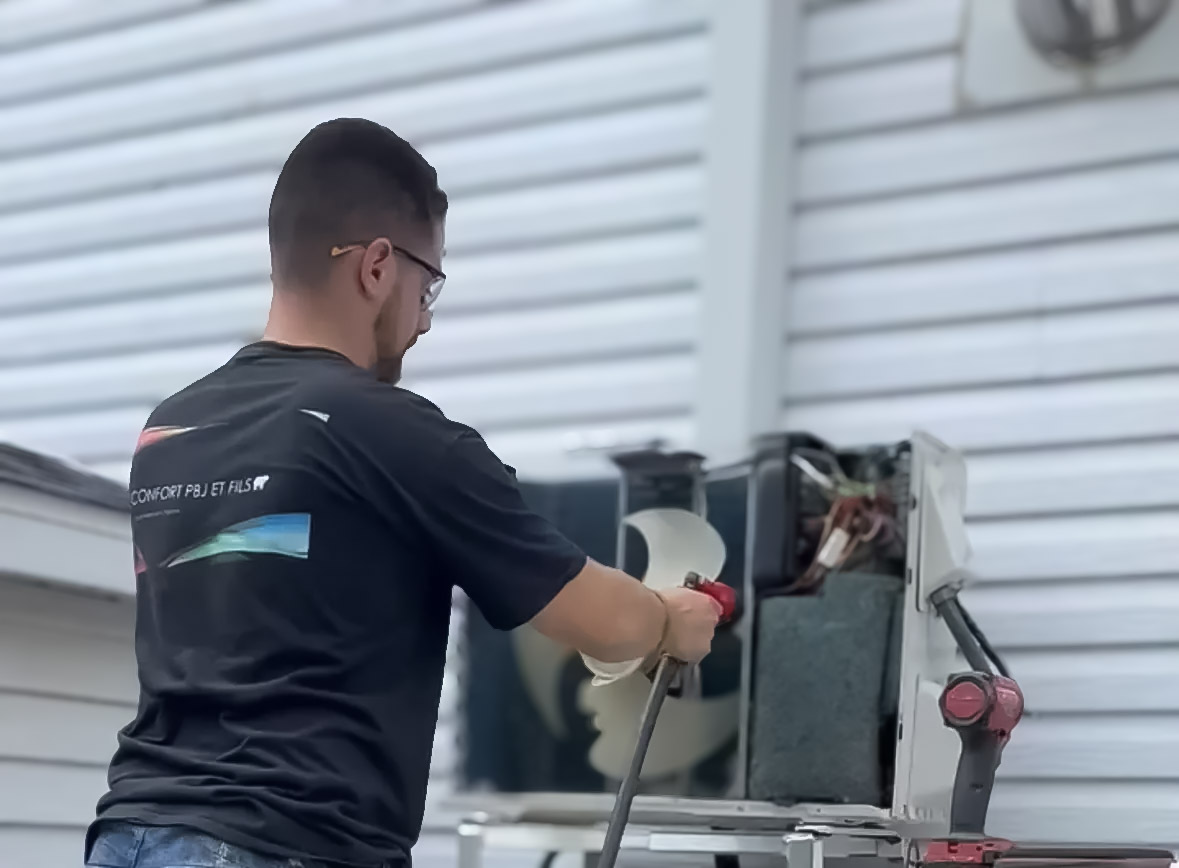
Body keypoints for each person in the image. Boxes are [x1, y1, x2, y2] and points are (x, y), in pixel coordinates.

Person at [85, 118, 723, 868]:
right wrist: (668, 622)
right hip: (282, 843)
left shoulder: (170, 429)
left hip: (128, 838)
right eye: (429, 282)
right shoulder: (389, 430)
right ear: (378, 266)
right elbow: (600, 622)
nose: (425, 317)